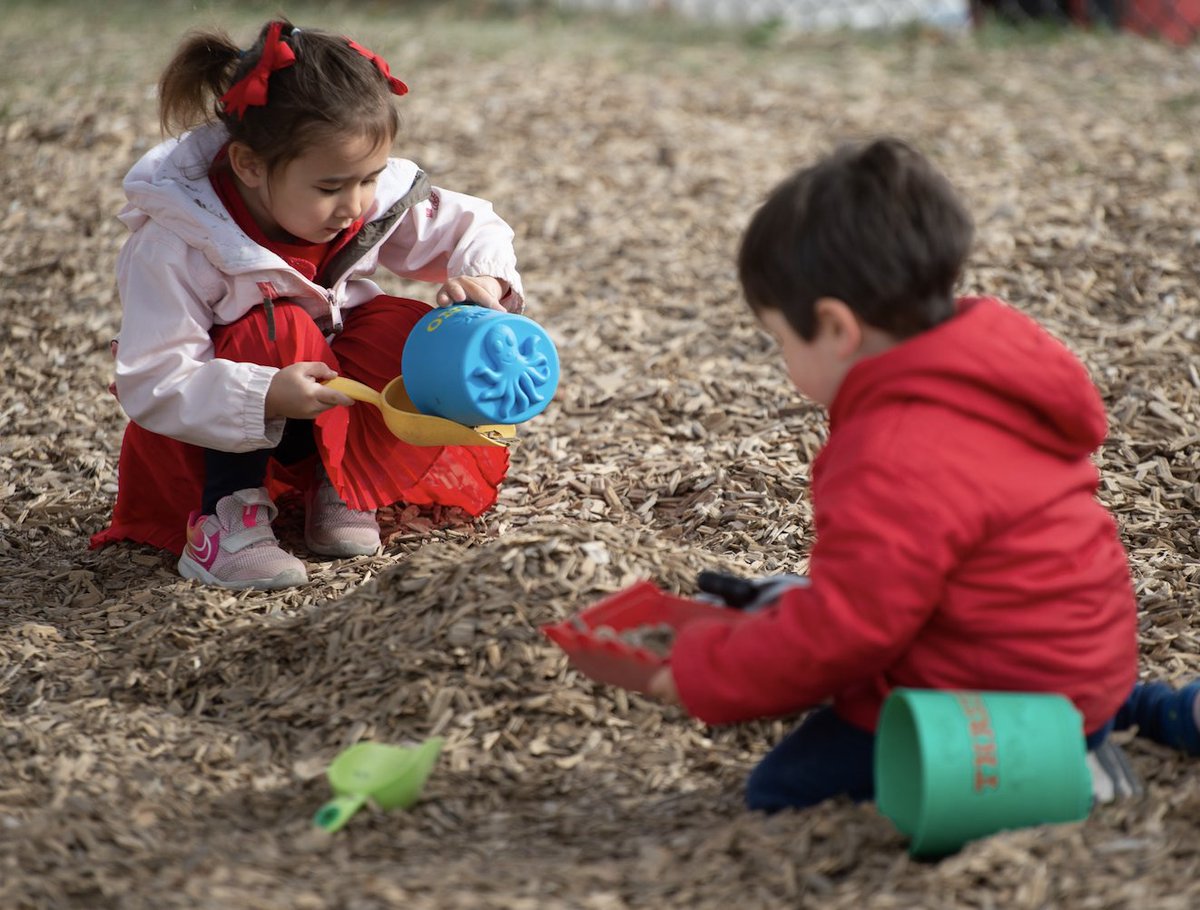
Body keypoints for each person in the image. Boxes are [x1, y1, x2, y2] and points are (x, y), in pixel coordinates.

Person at [646, 137, 1196, 810]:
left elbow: (847, 634)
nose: (783, 362)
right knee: (817, 610)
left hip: (1003, 695)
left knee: (782, 789)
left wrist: (706, 675)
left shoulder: (894, 448)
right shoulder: (984, 367)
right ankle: (1141, 709)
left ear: (835, 326)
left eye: (780, 341)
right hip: (1075, 652)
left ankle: (1068, 769)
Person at [90, 19, 525, 589]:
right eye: (330, 188)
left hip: (322, 400)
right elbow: (154, 378)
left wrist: (484, 282)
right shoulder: (178, 240)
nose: (354, 204)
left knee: (407, 326)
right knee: (281, 325)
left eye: (369, 179)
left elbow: (470, 224)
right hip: (211, 432)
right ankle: (228, 520)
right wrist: (266, 393)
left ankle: (343, 486)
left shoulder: (355, 193)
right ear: (249, 164)